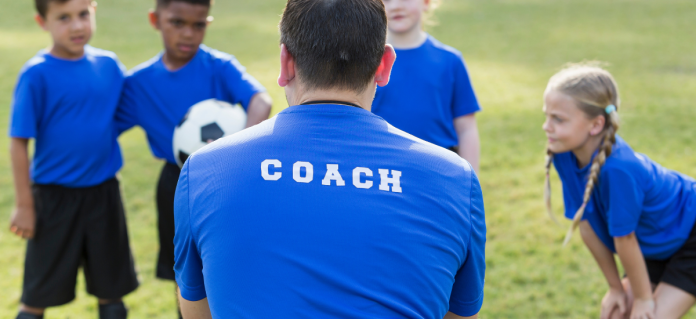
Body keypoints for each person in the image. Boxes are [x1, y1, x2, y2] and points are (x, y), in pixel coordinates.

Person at [173, 0, 486, 318]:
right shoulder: (455, 179)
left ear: (285, 63)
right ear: (385, 65)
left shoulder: (204, 170)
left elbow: (197, 311)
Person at [115, 0, 271, 315]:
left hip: (225, 178)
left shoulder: (219, 66)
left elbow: (261, 100)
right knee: (184, 271)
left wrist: (235, 148)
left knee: (226, 257)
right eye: (177, 22)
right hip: (175, 182)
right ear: (155, 19)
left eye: (198, 25)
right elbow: (104, 126)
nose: (188, 33)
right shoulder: (138, 83)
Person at [8, 0, 139, 318]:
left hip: (104, 194)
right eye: (63, 18)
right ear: (43, 22)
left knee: (112, 291)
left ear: (94, 11)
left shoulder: (108, 65)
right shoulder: (37, 74)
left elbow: (127, 111)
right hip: (53, 199)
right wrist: (25, 205)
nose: (77, 25)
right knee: (37, 293)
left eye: (83, 14)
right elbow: (17, 143)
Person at [543, 64, 696, 318]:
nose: (546, 127)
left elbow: (625, 238)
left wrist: (644, 299)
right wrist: (615, 288)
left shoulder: (618, 169)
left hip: (690, 233)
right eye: (546, 116)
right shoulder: (563, 154)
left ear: (596, 124)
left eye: (558, 119)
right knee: (615, 314)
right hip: (655, 244)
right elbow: (586, 224)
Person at [371, 0, 481, 172]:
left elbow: (467, 129)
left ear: (426, 2)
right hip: (383, 173)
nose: (396, 6)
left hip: (439, 172)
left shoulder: (450, 61)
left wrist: (470, 183)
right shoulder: (365, 62)